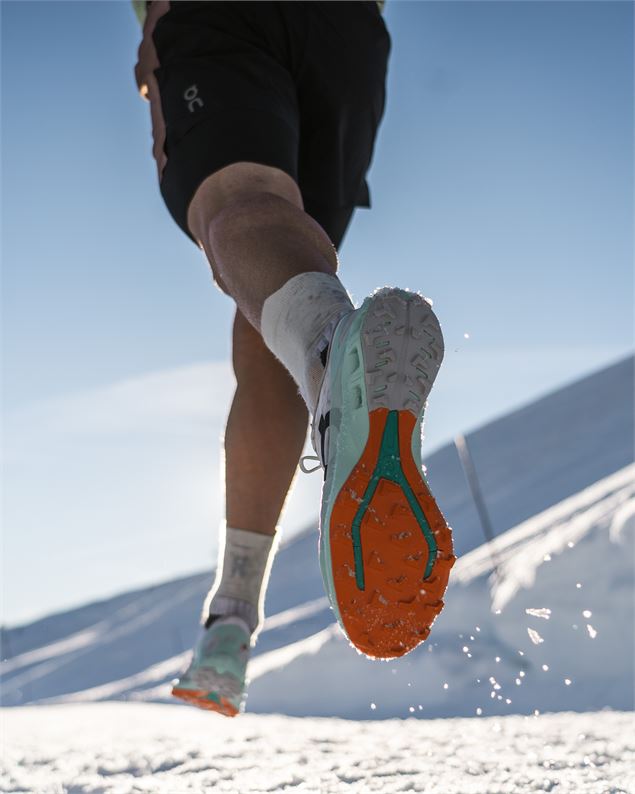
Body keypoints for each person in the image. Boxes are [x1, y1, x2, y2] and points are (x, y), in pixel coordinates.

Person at [133, 0, 455, 717]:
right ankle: (232, 617)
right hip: (348, 33)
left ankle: (332, 361)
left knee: (241, 205)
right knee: (273, 311)